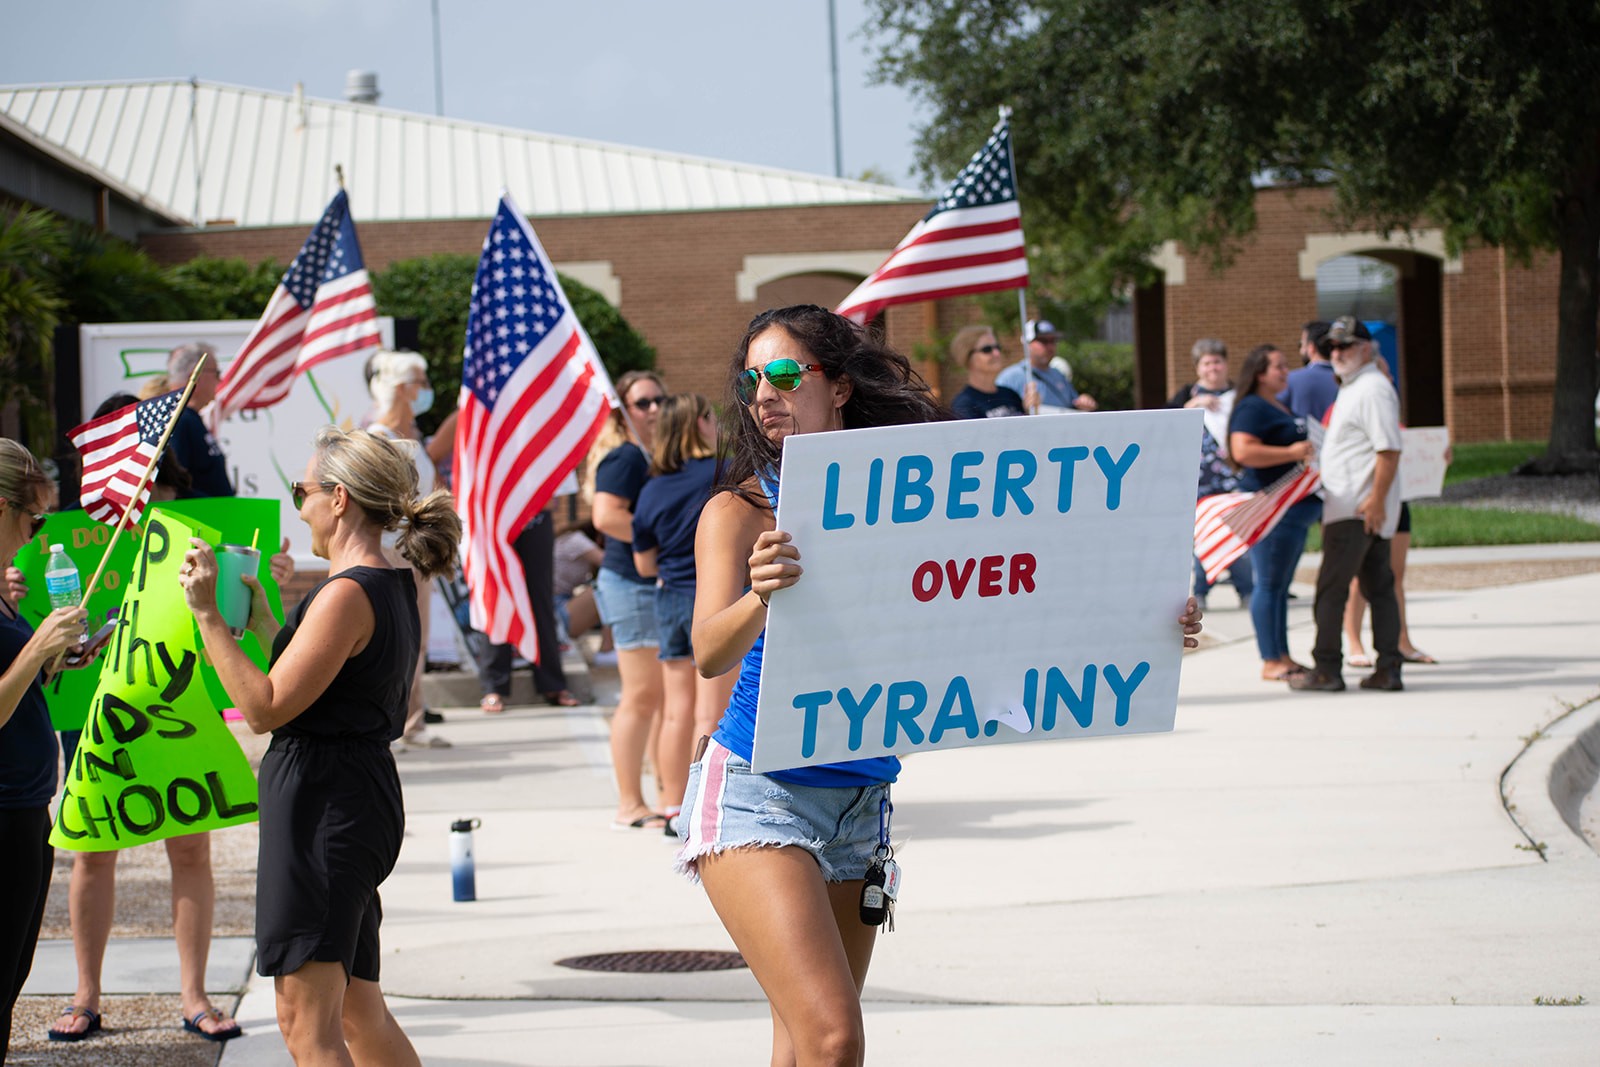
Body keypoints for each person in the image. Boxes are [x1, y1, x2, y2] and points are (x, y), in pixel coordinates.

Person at [675, 304, 1203, 1065]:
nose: (765, 393)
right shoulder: (740, 507)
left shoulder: (911, 501)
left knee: (801, 1045)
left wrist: (1145, 625)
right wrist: (761, 595)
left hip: (860, 803)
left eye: (786, 373)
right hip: (758, 790)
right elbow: (706, 652)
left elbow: (1016, 592)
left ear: (841, 386)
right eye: (753, 378)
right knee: (834, 1037)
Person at [178, 426, 460, 1065]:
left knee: (305, 1024)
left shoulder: (345, 594)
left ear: (339, 500)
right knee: (359, 1013)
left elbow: (265, 708)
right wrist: (267, 625)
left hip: (325, 810)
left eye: (301, 490)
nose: (297, 504)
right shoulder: (381, 584)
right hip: (349, 799)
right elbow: (332, 688)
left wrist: (207, 616)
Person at [45, 392, 294, 1044]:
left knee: (191, 846)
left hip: (178, 706)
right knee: (92, 850)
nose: (136, 472)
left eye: (147, 458)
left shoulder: (197, 527)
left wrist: (269, 576)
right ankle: (86, 993)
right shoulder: (72, 539)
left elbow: (239, 612)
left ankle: (194, 994)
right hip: (97, 710)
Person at [0, 440, 93, 1054]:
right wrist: (37, 648)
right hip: (4, 809)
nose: (37, 537)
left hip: (26, 804)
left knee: (11, 978)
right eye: (32, 520)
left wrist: (53, 656)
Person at [631, 394, 735, 833]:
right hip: (715, 598)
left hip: (670, 596)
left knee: (675, 711)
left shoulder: (651, 487)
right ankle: (708, 806)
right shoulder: (723, 474)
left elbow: (643, 564)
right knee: (711, 713)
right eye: (711, 417)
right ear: (697, 424)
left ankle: (671, 803)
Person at [1291, 317, 1405, 693]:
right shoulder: (1355, 387)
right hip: (1354, 506)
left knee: (1331, 589)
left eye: (1346, 345)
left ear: (1367, 349)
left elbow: (1388, 449)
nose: (1337, 353)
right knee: (1379, 588)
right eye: (1332, 347)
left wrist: (1374, 501)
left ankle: (1326, 669)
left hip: (1357, 509)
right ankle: (1388, 668)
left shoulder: (1372, 389)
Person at [592, 370, 670, 829]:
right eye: (643, 403)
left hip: (648, 586)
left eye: (660, 399)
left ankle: (663, 795)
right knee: (641, 697)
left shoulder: (651, 456)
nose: (655, 409)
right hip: (630, 584)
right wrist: (654, 547)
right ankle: (629, 803)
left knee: (662, 700)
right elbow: (605, 515)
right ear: (624, 413)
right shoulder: (624, 458)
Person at [365, 351, 452, 749]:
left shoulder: (413, 440)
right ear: (401, 387)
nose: (426, 389)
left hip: (418, 554)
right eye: (421, 380)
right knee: (393, 640)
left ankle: (411, 720)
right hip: (390, 553)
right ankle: (389, 723)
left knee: (416, 639)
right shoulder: (378, 440)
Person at [1227, 344, 1319, 682]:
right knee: (1267, 584)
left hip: (1291, 508)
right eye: (1278, 367)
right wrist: (1290, 452)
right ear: (1259, 373)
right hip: (1269, 508)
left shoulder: (1277, 405)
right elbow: (1242, 450)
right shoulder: (1252, 407)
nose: (1285, 371)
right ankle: (1270, 659)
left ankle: (1282, 656)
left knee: (1280, 586)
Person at [1170, 338, 1251, 611]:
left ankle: (1246, 589)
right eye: (1206, 363)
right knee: (1205, 535)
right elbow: (1166, 424)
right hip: (1198, 481)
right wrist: (1193, 404)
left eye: (1217, 361)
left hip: (1233, 478)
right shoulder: (1185, 395)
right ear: (1197, 368)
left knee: (1236, 533)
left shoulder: (1241, 396)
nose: (1212, 368)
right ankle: (1202, 590)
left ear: (1226, 364)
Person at [161, 343, 235, 498]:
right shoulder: (178, 420)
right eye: (216, 373)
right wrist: (217, 508)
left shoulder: (189, 418)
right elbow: (174, 485)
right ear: (196, 375)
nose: (220, 380)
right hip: (196, 519)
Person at [996, 319, 1097, 412]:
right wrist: (1024, 410)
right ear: (1027, 344)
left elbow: (1074, 403)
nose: (1050, 346)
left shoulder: (1058, 374)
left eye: (1053, 341)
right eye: (1043, 341)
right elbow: (999, 413)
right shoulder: (1010, 377)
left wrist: (1084, 402)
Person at [947, 325, 1031, 419]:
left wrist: (1030, 410)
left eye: (997, 347)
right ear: (967, 357)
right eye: (987, 349)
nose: (996, 353)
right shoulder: (963, 405)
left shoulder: (1010, 394)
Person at [1280, 320, 1338, 422]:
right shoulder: (1349, 380)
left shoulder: (1290, 379)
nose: (1300, 350)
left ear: (1311, 348)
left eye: (1302, 344)